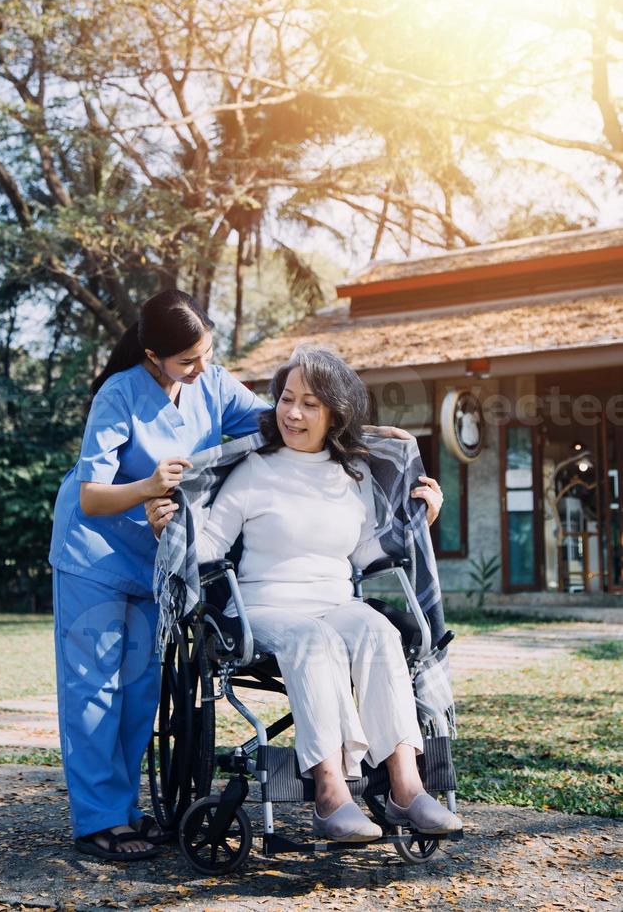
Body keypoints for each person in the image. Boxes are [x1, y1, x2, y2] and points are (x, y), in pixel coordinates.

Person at [50, 290, 441, 863]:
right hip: (97, 553)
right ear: (154, 355)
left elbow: (283, 418)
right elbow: (90, 496)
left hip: (161, 559)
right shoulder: (118, 394)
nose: (203, 367)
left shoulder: (209, 382)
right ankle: (98, 822)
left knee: (138, 691)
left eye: (207, 352)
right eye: (188, 360)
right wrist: (149, 489)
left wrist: (368, 433)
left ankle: (127, 813)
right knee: (95, 692)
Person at [147, 347, 459, 842]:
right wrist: (171, 529)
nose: (292, 413)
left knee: (378, 630)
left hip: (335, 603)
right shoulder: (254, 470)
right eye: (286, 399)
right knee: (313, 638)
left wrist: (426, 518)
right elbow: (210, 545)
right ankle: (331, 795)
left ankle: (407, 787)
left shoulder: (352, 475)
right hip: (263, 607)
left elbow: (365, 553)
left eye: (310, 403)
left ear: (335, 412)